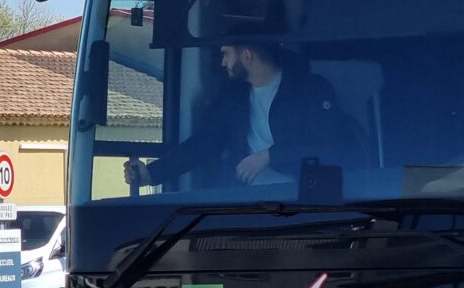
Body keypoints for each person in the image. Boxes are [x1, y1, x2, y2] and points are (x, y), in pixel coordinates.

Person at [125, 42, 358, 188]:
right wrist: (153, 173)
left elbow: (334, 147)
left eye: (226, 53)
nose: (223, 61)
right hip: (244, 207)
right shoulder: (232, 96)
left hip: (303, 204)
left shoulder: (311, 89)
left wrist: (270, 156)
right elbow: (206, 142)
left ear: (247, 55)